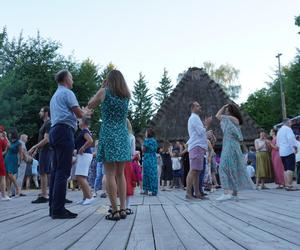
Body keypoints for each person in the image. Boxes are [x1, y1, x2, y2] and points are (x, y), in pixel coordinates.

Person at [87, 69, 131, 221]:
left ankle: (114, 211)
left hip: (108, 134)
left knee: (110, 174)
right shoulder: (126, 96)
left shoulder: (104, 92)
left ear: (109, 80)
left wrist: (101, 87)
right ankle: (123, 208)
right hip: (122, 135)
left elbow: (90, 105)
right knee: (120, 174)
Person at [49, 69, 92, 219]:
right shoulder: (67, 93)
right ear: (66, 79)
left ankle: (53, 207)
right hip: (64, 131)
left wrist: (82, 112)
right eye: (72, 78)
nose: (73, 81)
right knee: (63, 171)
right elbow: (80, 114)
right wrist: (86, 112)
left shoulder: (55, 96)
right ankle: (58, 209)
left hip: (55, 131)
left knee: (56, 170)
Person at [215, 104, 254, 201]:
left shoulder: (231, 119)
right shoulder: (232, 120)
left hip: (230, 145)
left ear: (231, 111)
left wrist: (223, 107)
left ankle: (226, 192)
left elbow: (217, 116)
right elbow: (219, 116)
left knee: (223, 167)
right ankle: (234, 193)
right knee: (233, 167)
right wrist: (225, 107)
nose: (225, 112)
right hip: (232, 145)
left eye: (227, 110)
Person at [186, 101, 211, 199]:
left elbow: (201, 133)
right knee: (193, 170)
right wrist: (207, 125)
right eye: (197, 106)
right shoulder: (194, 118)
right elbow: (201, 132)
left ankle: (197, 193)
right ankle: (188, 193)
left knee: (197, 171)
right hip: (196, 146)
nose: (200, 107)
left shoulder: (196, 118)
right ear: (192, 108)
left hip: (198, 146)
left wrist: (207, 132)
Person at [29, 106, 53, 204]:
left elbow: (47, 139)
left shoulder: (48, 123)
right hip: (44, 150)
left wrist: (34, 146)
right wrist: (37, 149)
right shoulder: (45, 123)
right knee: (46, 172)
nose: (39, 113)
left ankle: (44, 195)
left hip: (46, 151)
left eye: (41, 111)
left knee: (43, 172)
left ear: (46, 113)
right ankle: (47, 193)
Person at [75, 117, 94, 205]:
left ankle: (89, 197)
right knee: (82, 176)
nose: (78, 123)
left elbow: (90, 141)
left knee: (80, 176)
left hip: (84, 155)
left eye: (79, 121)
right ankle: (85, 197)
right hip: (85, 155)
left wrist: (83, 148)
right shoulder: (85, 131)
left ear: (84, 122)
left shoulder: (84, 131)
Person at [277, 118, 298, 191]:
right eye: (290, 122)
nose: (291, 124)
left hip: (282, 152)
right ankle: (290, 185)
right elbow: (291, 139)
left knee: (285, 169)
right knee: (290, 168)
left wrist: (281, 148)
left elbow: (278, 142)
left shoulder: (279, 131)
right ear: (287, 123)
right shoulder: (288, 129)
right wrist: (294, 148)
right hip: (289, 151)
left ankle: (286, 184)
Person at [5, 130, 23, 197]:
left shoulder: (19, 143)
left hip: (13, 159)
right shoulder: (9, 142)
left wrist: (20, 161)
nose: (9, 135)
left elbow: (20, 153)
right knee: (6, 175)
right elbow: (5, 151)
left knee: (10, 174)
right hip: (7, 159)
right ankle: (8, 192)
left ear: (13, 134)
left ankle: (17, 189)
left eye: (10, 134)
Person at [142, 128, 158, 196]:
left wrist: (142, 145)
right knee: (153, 174)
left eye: (146, 132)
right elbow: (155, 149)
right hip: (153, 158)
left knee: (146, 174)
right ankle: (154, 190)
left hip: (147, 158)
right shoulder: (154, 140)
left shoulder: (146, 141)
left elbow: (143, 150)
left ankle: (146, 190)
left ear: (148, 133)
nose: (145, 133)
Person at [0, 126, 10, 201]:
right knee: (2, 177)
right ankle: (3, 195)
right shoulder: (2, 138)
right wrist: (5, 136)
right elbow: (8, 145)